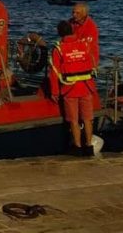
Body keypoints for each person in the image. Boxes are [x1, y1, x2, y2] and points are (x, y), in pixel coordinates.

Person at [49, 20, 98, 156]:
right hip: (87, 87)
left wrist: (54, 92)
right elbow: (93, 63)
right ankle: (89, 147)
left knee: (74, 120)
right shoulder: (84, 45)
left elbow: (54, 73)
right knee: (88, 119)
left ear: (59, 33)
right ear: (72, 30)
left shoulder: (58, 49)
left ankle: (77, 147)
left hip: (69, 90)